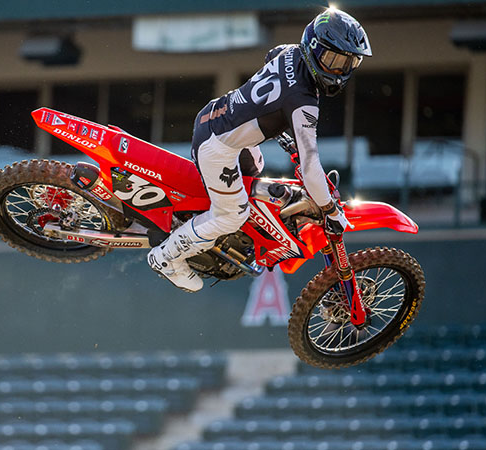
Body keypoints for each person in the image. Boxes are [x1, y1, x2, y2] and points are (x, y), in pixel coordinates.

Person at [147, 7, 372, 292]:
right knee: (232, 215)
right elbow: (311, 166)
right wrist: (329, 210)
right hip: (218, 145)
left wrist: (278, 128)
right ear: (314, 48)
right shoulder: (303, 100)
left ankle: (217, 237)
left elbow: (270, 63)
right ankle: (166, 258)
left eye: (348, 64)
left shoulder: (290, 52)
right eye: (333, 60)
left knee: (255, 181)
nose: (339, 71)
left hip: (218, 118)